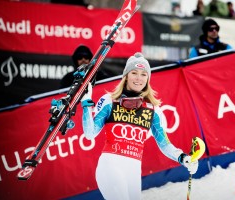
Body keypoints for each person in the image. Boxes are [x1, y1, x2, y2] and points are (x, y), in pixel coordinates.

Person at [81, 52, 199, 200]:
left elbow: (164, 144)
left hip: (133, 171)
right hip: (111, 166)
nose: (139, 78)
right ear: (126, 76)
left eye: (144, 74)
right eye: (134, 73)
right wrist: (86, 104)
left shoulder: (153, 110)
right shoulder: (110, 101)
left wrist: (182, 157)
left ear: (148, 79)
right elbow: (89, 133)